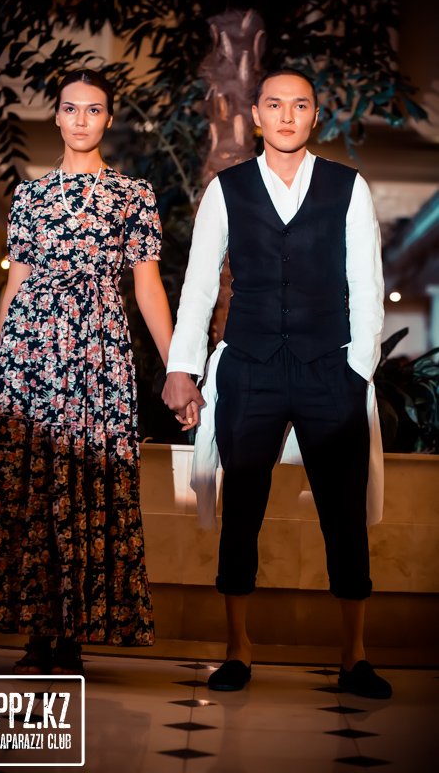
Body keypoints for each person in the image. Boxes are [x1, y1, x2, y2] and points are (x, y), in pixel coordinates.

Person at [162, 68, 392, 698]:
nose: (287, 116)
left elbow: (367, 285)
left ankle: (354, 656)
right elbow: (199, 285)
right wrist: (182, 367)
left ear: (315, 115)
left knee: (343, 513)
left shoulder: (348, 187)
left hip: (329, 367)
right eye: (275, 104)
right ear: (257, 115)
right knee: (242, 512)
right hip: (251, 365)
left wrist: (356, 368)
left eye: (300, 105)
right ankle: (238, 649)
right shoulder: (226, 188)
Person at [0, 68, 173, 674]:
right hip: (27, 357)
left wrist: (178, 367)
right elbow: (15, 284)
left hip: (98, 355)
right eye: (70, 108)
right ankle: (37, 631)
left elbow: (147, 288)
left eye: (93, 109)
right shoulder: (29, 196)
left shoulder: (132, 195)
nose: (81, 119)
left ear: (108, 119)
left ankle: (73, 631)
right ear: (55, 116)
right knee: (32, 485)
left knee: (85, 483)